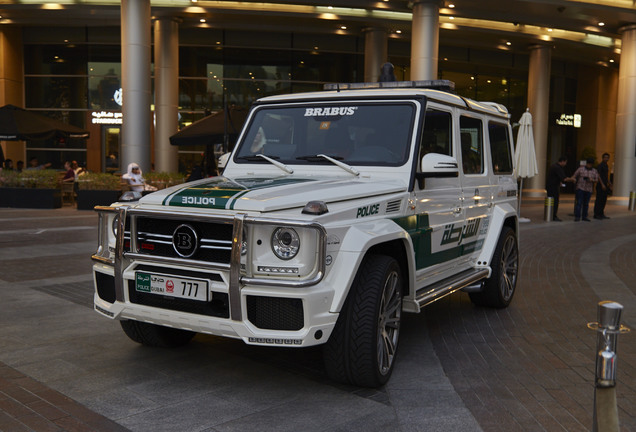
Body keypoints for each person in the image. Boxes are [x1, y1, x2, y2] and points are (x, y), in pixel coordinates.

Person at [571, 157, 604, 222]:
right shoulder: (581, 169)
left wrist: (592, 180)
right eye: (588, 164)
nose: (589, 165)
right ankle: (577, 216)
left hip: (589, 189)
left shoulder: (594, 171)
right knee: (579, 203)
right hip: (580, 188)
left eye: (591, 164)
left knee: (586, 203)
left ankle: (584, 216)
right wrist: (573, 179)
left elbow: (597, 180)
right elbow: (574, 175)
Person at [545, 156, 574, 221]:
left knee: (552, 201)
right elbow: (564, 178)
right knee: (555, 201)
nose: (566, 164)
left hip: (550, 186)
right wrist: (572, 179)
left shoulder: (553, 166)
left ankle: (550, 215)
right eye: (565, 162)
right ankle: (553, 216)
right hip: (553, 187)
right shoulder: (558, 168)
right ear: (563, 161)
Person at [593, 152, 612, 220]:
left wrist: (609, 183)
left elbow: (606, 176)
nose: (606, 159)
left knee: (604, 199)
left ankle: (601, 213)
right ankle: (596, 214)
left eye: (607, 158)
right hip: (600, 185)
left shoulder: (606, 165)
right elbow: (598, 175)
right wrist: (602, 184)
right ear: (603, 158)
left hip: (605, 185)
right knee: (599, 199)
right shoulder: (600, 165)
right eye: (605, 157)